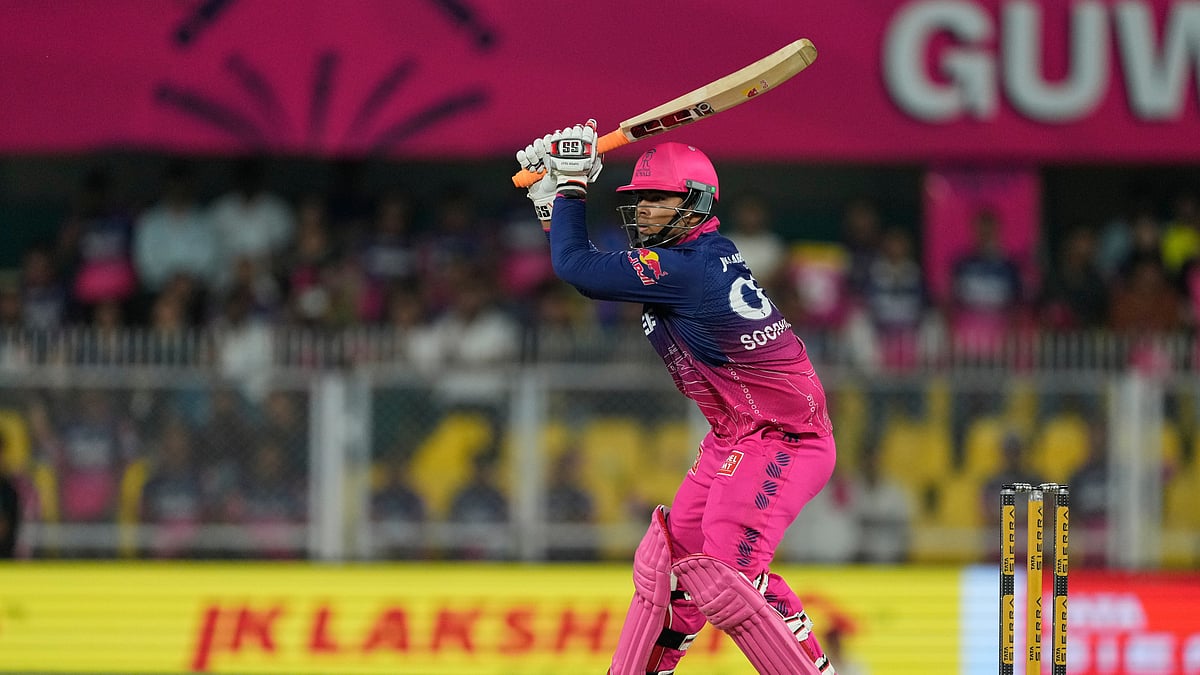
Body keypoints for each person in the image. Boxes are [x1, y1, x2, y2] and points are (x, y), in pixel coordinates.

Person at [517, 123, 837, 675]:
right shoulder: (683, 260)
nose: (642, 210)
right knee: (666, 567)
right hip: (737, 434)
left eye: (657, 199)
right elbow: (583, 263)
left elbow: (578, 269)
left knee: (727, 576)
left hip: (785, 437)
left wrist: (569, 185)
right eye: (638, 199)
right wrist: (553, 201)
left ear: (695, 204)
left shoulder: (688, 268)